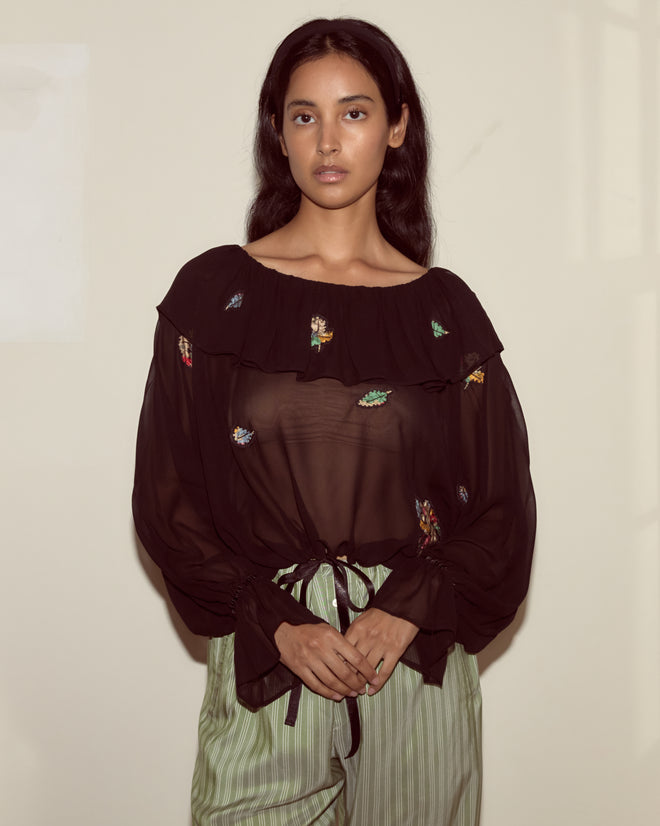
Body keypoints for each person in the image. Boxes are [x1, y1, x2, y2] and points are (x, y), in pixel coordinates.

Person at [132, 17, 535, 826]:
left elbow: (501, 509)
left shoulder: (445, 310)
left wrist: (410, 603)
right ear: (276, 134)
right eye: (303, 114)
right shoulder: (213, 295)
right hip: (269, 660)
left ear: (397, 127)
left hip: (412, 667)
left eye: (354, 112)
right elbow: (167, 497)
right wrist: (276, 622)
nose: (327, 139)